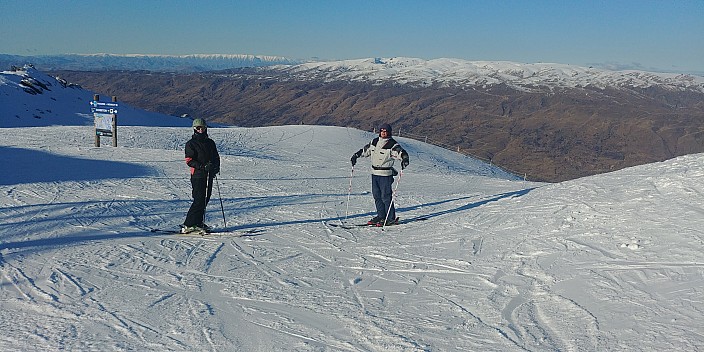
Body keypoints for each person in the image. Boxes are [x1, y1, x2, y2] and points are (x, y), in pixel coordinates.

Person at [350, 123, 410, 226]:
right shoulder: (375, 142)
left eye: (385, 131)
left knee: (385, 196)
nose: (383, 133)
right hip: (375, 173)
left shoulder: (392, 145)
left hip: (385, 174)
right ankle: (381, 216)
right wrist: (356, 155)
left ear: (389, 132)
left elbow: (402, 153)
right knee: (377, 196)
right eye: (382, 131)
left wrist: (405, 159)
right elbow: (366, 150)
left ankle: (390, 218)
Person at [181, 118, 220, 233]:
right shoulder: (191, 144)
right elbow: (189, 160)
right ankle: (188, 224)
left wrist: (215, 168)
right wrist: (202, 167)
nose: (200, 130)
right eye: (198, 128)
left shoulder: (210, 143)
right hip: (198, 175)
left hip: (209, 174)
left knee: (205, 199)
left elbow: (216, 157)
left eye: (202, 127)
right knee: (198, 199)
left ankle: (197, 222)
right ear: (194, 129)